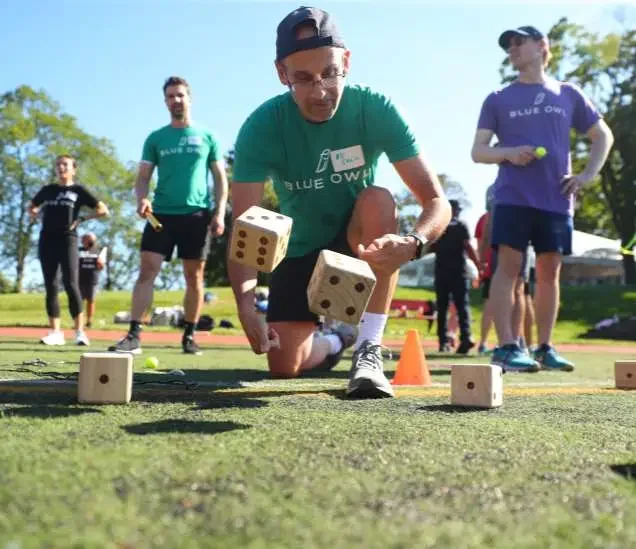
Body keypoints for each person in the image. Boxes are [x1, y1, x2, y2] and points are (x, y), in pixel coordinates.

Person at [228, 6, 451, 398]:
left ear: (346, 61)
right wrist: (245, 303)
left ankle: (369, 347)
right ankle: (340, 337)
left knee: (379, 200)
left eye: (330, 73)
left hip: (356, 243)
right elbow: (245, 228)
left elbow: (436, 201)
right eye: (303, 79)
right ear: (281, 74)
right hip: (297, 249)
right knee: (284, 367)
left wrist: (414, 243)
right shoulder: (260, 128)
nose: (320, 92)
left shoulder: (375, 109)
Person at [471, 25, 614, 371]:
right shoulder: (498, 98)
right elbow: (478, 152)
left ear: (542, 46)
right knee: (510, 269)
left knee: (550, 271)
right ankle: (506, 346)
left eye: (520, 42)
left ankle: (545, 348)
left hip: (556, 199)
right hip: (512, 196)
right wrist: (509, 152)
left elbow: (602, 136)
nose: (513, 49)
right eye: (509, 45)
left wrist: (586, 176)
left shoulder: (568, 93)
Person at [109, 76, 229, 355]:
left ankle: (189, 335)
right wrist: (142, 198)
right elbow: (142, 178)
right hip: (160, 215)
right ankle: (134, 334)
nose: (176, 100)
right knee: (146, 271)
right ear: (165, 102)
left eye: (180, 95)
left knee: (194, 277)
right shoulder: (156, 138)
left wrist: (220, 212)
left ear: (190, 98)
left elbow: (220, 178)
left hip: (196, 215)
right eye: (170, 96)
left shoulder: (208, 137)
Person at [29, 154, 109, 346]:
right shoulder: (48, 190)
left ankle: (79, 332)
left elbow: (103, 210)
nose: (61, 168)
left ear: (73, 169)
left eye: (65, 165)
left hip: (68, 240)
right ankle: (55, 332)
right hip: (47, 239)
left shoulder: (78, 191)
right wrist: (35, 214)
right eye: (58, 165)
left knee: (71, 283)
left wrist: (82, 219)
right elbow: (32, 206)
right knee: (51, 285)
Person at [431, 199, 480, 354]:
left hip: (441, 272)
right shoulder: (461, 226)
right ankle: (465, 338)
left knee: (442, 308)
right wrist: (478, 264)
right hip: (459, 272)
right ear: (456, 211)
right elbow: (468, 246)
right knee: (462, 307)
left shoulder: (438, 227)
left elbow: (431, 247)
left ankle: (443, 341)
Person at [78, 232, 108, 328]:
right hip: (79, 278)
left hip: (92, 279)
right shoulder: (77, 250)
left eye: (88, 239)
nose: (84, 241)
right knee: (79, 300)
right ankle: (79, 321)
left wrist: (100, 262)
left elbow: (101, 265)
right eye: (84, 239)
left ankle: (89, 321)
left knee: (91, 300)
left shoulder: (99, 250)